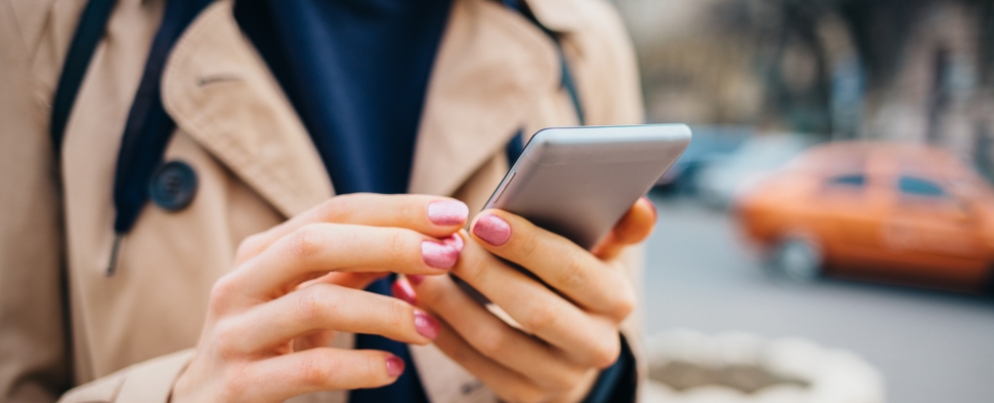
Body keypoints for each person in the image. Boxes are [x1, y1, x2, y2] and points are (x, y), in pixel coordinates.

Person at [0, 0, 651, 402]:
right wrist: (176, 395)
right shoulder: (48, 23)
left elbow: (612, 338)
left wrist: (589, 385)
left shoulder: (582, 36)